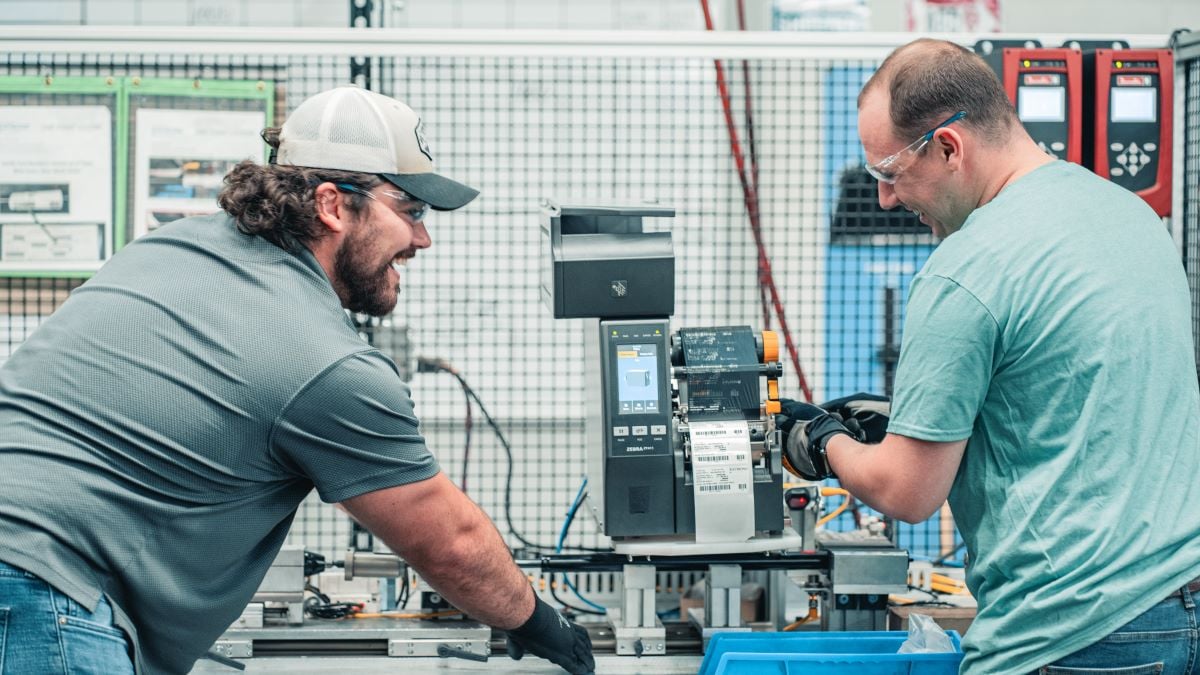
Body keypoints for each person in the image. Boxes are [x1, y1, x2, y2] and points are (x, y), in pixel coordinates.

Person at [0, 85, 594, 675]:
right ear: (333, 205)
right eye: (410, 211)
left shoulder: (167, 247)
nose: (422, 238)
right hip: (41, 594)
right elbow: (450, 545)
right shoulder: (328, 366)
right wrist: (539, 621)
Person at [778, 39, 1200, 674]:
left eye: (890, 172)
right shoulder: (1130, 215)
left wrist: (819, 437)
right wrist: (919, 421)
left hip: (1073, 634)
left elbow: (907, 491)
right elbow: (1074, 404)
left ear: (950, 147)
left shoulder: (966, 269)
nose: (888, 199)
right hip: (1183, 603)